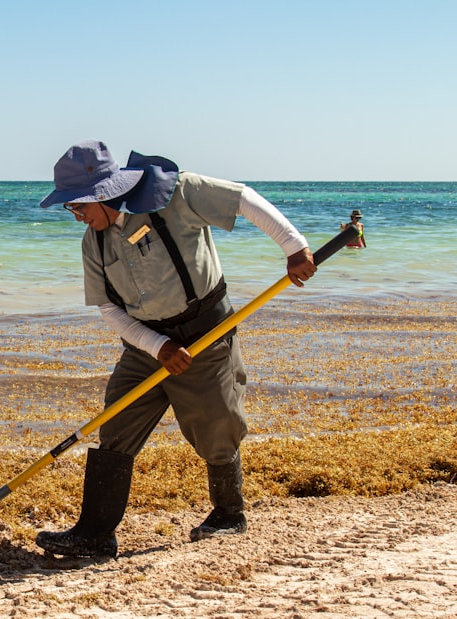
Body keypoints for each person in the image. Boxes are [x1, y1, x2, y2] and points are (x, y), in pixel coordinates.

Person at [35, 140, 317, 558]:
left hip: (206, 332)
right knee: (116, 421)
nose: (76, 215)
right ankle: (95, 533)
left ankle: (228, 514)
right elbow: (109, 309)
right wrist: (158, 345)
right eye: (71, 209)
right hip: (146, 345)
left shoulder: (176, 194)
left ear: (104, 193)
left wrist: (294, 246)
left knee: (215, 423)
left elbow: (243, 199)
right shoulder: (92, 243)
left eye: (77, 206)